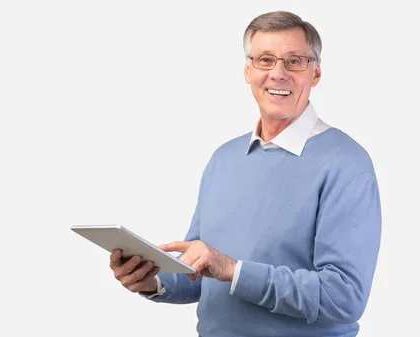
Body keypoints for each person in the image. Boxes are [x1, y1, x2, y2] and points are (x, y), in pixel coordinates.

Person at [109, 10, 382, 337]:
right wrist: (150, 280)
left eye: (294, 61)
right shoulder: (224, 159)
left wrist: (232, 270)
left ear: (316, 72)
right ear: (248, 71)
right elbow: (200, 277)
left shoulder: (347, 164)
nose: (278, 74)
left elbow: (344, 297)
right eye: (265, 60)